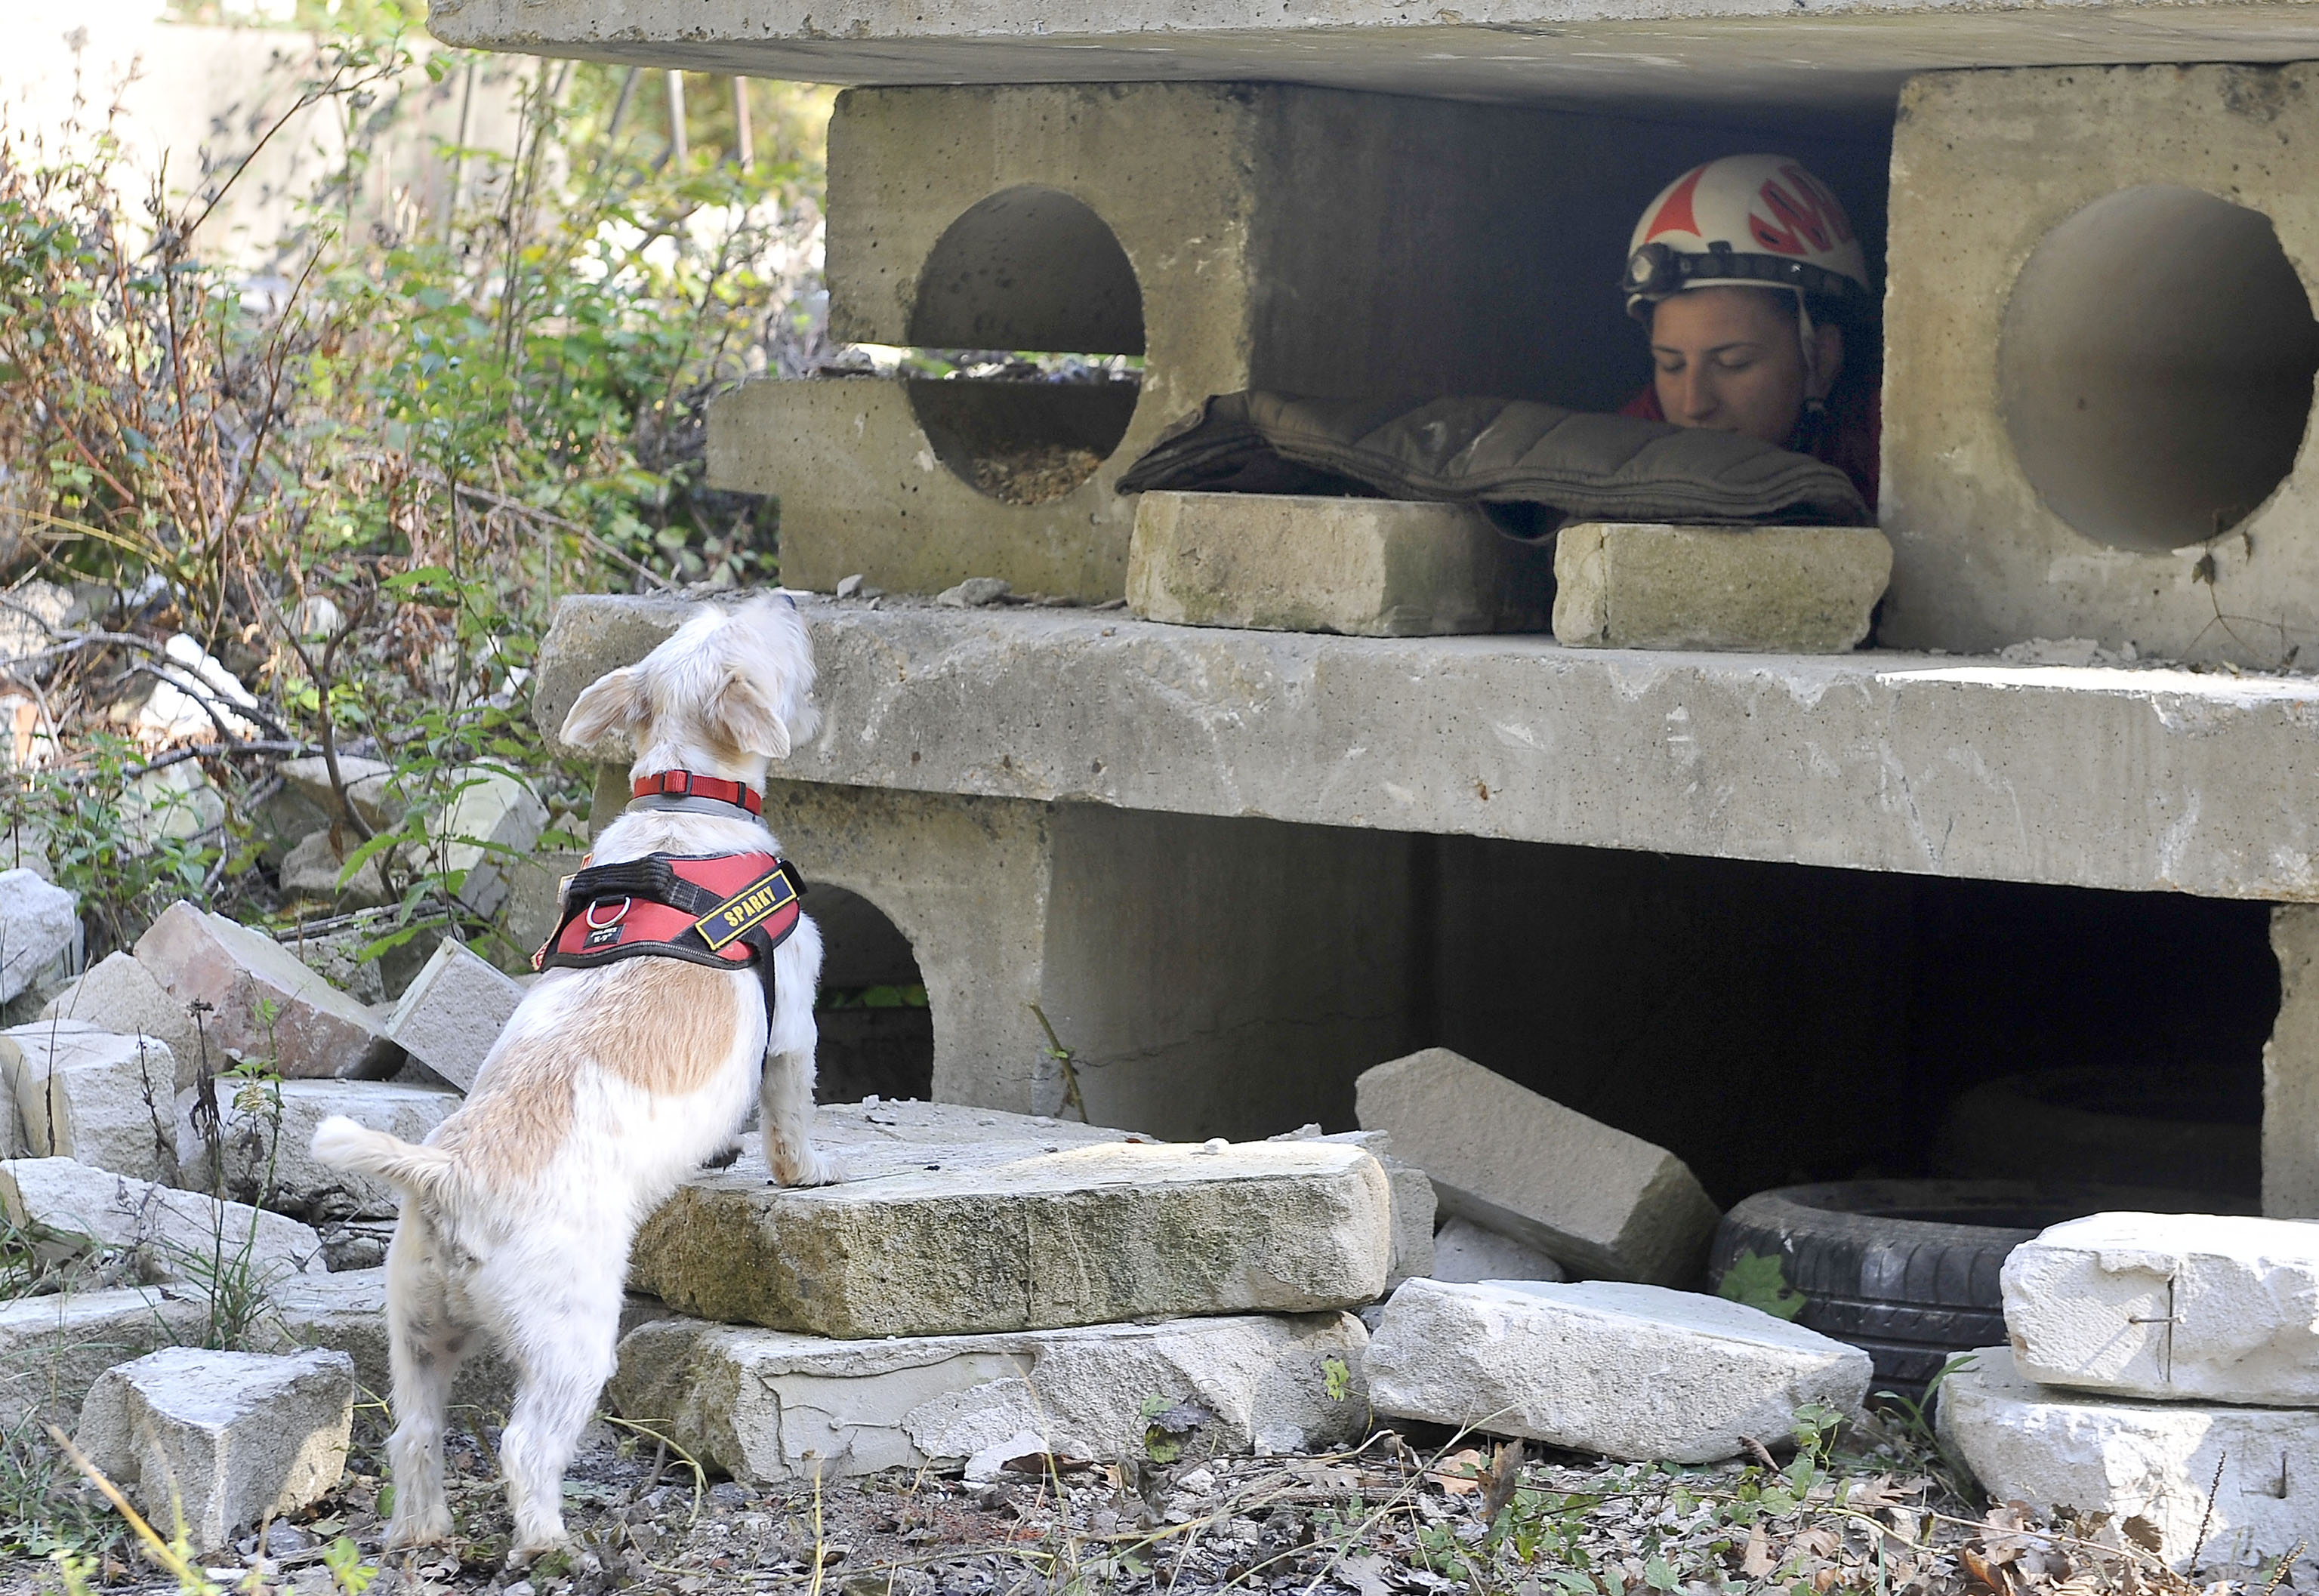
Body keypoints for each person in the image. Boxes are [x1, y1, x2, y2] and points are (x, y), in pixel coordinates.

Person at [1615, 154, 1881, 509]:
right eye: (1671, 365)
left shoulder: (1903, 453)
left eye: (1733, 363)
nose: (1694, 405)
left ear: (1822, 356)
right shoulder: (1636, 444)